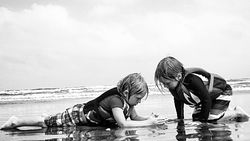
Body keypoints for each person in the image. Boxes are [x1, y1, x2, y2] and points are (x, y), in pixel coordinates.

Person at [1, 73, 165, 130]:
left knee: (50, 121)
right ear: (127, 92)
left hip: (83, 119)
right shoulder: (116, 100)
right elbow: (123, 124)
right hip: (76, 115)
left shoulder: (128, 104)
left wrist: (151, 119)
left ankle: (47, 116)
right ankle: (17, 120)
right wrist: (149, 124)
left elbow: (135, 118)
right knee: (46, 123)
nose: (139, 101)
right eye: (138, 98)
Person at [154, 56, 249, 122]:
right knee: (195, 118)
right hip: (206, 99)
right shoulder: (174, 86)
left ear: (178, 76)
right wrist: (180, 119)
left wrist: (203, 122)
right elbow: (178, 100)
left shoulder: (192, 80)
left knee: (210, 118)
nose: (165, 86)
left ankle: (236, 113)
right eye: (163, 84)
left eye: (167, 83)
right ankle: (220, 110)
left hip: (222, 93)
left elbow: (206, 98)